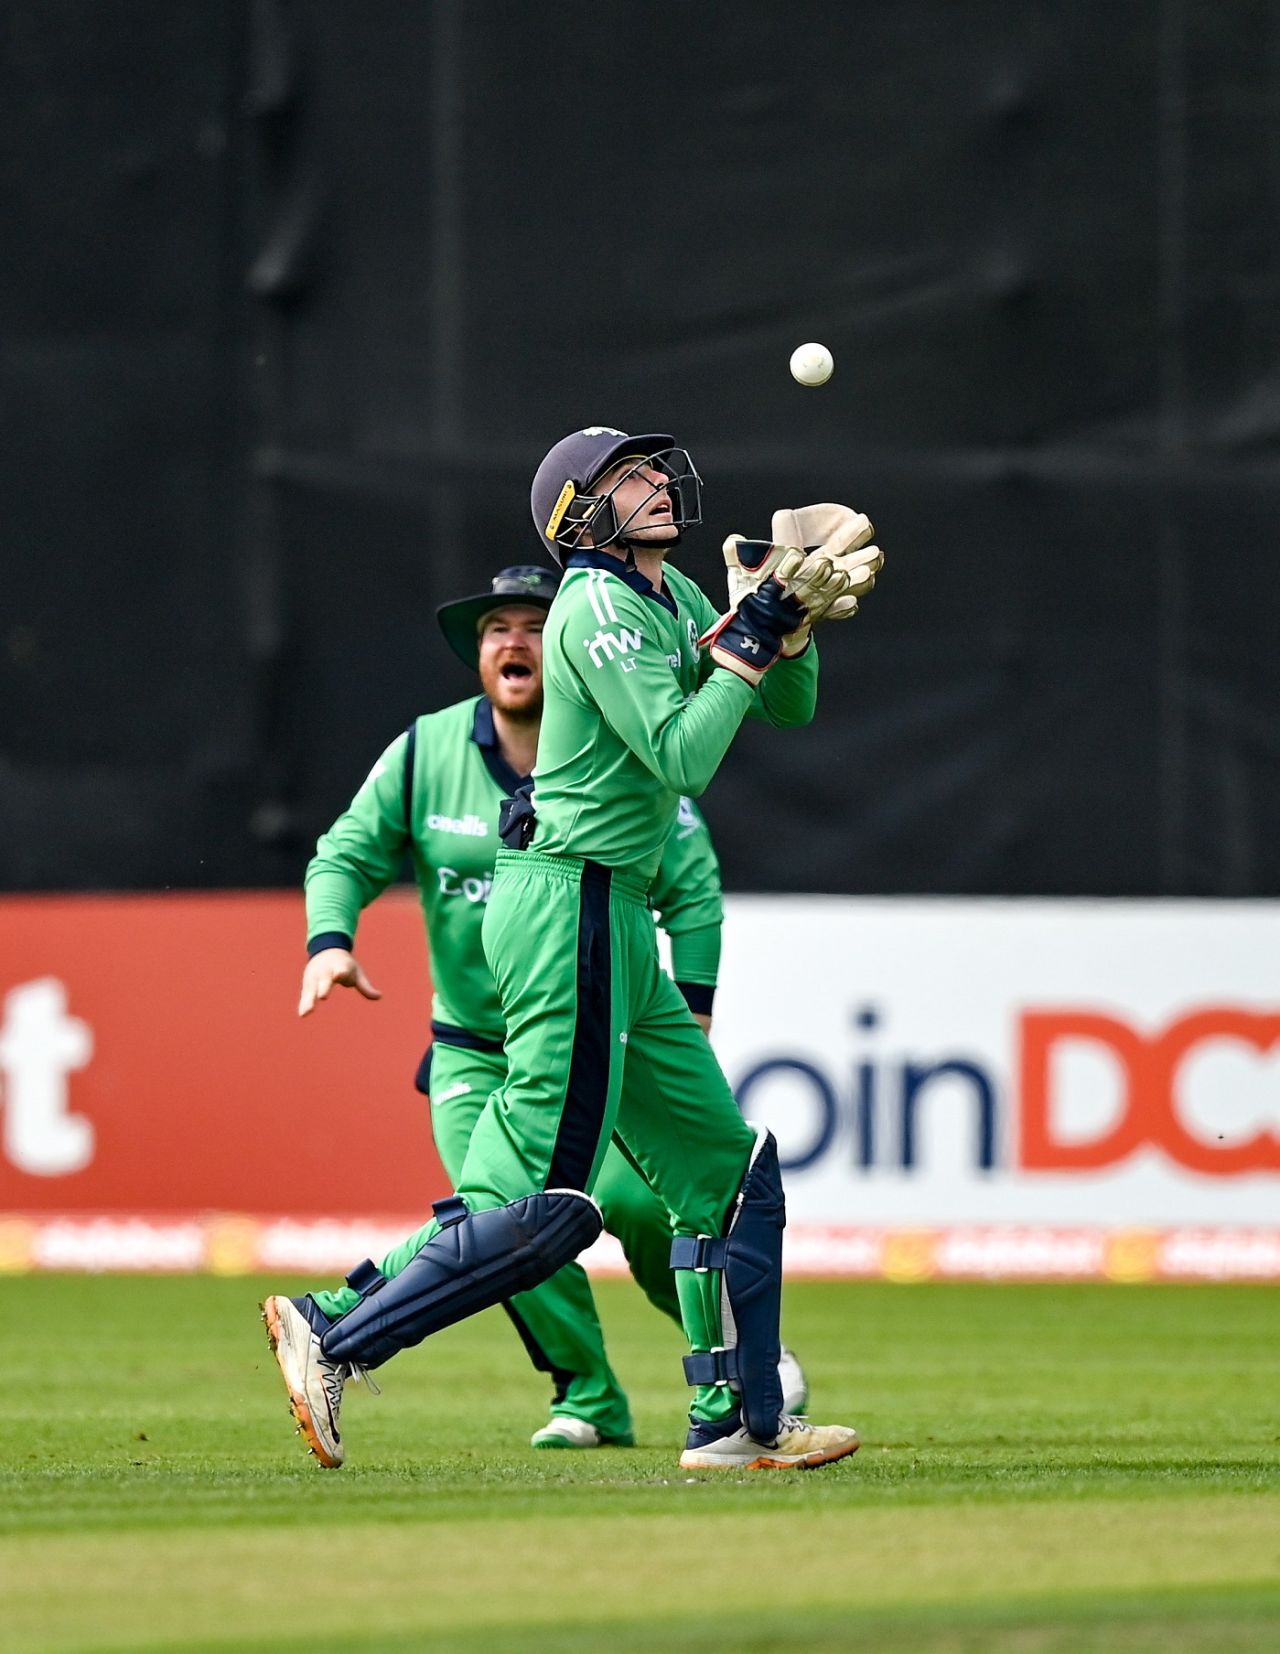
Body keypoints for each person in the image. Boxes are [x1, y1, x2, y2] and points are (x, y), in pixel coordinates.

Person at [263, 425, 882, 1471]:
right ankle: (334, 1330)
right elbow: (683, 756)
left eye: (651, 468)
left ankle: (734, 1422)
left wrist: (786, 621)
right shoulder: (591, 605)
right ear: (577, 512)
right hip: (567, 904)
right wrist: (752, 630)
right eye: (628, 476)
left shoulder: (674, 596)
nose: (655, 483)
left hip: (617, 910)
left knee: (728, 1177)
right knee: (545, 1209)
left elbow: (788, 703)